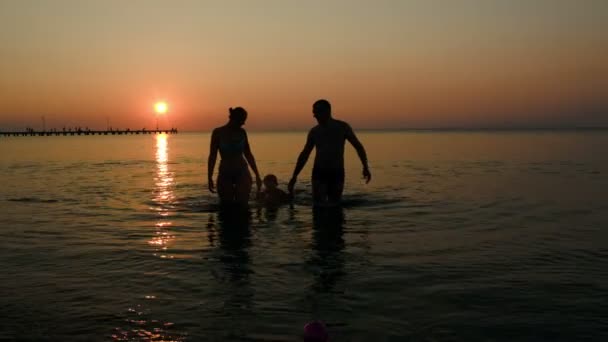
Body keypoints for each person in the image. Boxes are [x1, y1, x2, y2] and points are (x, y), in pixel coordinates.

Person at [288, 99, 371, 205]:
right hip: (319, 171)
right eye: (313, 112)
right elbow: (305, 154)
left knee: (335, 204)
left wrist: (365, 167)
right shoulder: (314, 132)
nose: (314, 115)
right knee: (318, 205)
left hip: (337, 171)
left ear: (327, 111)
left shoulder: (342, 127)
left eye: (317, 112)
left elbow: (358, 146)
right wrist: (294, 176)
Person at [208, 107, 262, 205]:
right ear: (233, 119)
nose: (243, 124)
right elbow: (212, 156)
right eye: (242, 121)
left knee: (242, 204)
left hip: (242, 170)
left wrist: (257, 175)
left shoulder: (242, 132)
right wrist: (209, 176)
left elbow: (248, 154)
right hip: (225, 171)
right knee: (226, 204)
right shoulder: (218, 132)